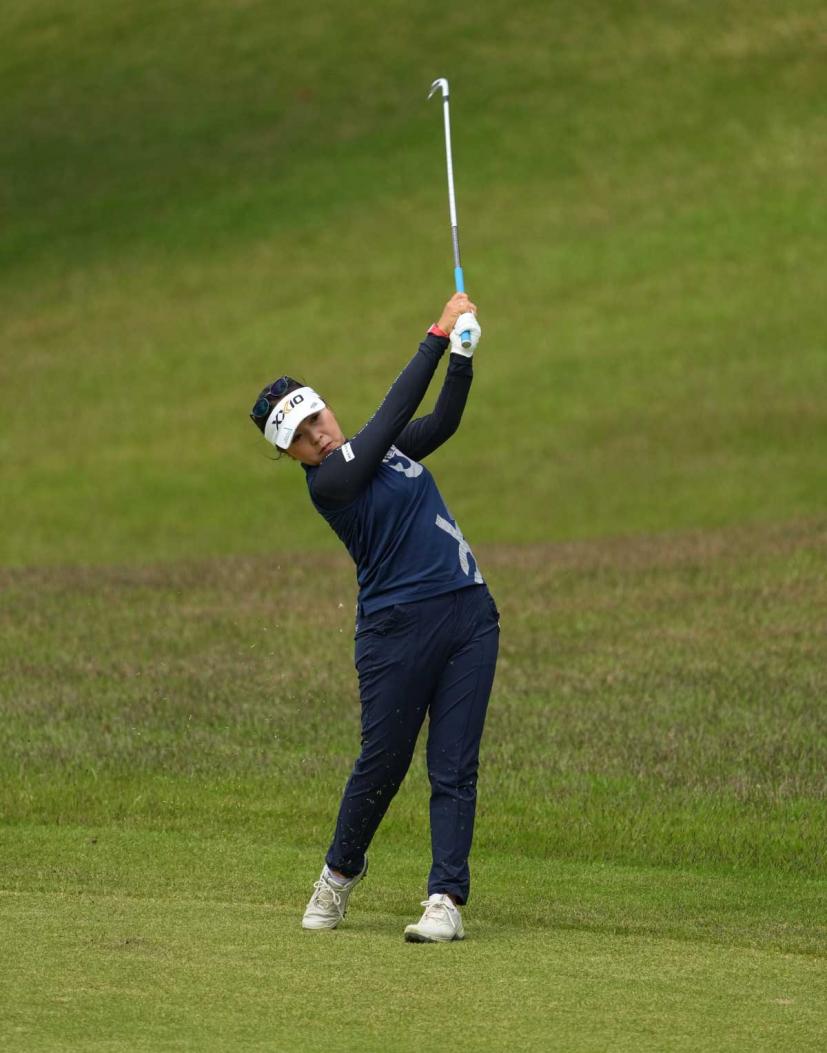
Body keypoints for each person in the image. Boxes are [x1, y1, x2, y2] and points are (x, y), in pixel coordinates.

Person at [249, 292, 499, 942]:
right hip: (395, 633)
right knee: (383, 764)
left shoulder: (378, 451)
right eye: (299, 438)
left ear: (325, 406)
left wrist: (463, 357)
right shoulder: (331, 483)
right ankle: (338, 873)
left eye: (316, 418)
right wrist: (436, 335)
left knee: (453, 765)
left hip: (469, 613)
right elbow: (394, 414)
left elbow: (440, 423)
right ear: (290, 455)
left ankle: (444, 899)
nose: (317, 435)